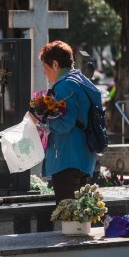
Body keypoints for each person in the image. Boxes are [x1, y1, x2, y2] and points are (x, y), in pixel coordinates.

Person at [32, 40, 101, 205]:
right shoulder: (82, 81)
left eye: (45, 67)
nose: (44, 72)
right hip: (85, 158)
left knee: (69, 217)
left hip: (67, 158)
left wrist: (40, 120)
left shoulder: (64, 85)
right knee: (80, 216)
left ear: (55, 64)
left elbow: (64, 125)